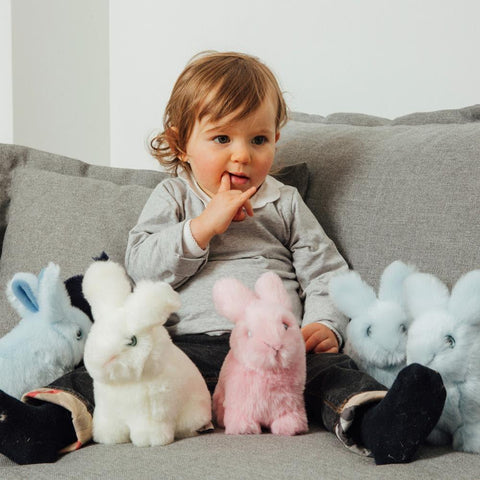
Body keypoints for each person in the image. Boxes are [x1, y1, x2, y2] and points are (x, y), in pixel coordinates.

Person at [0, 51, 445, 466]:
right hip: (183, 349)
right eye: (221, 137)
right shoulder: (173, 196)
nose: (242, 154)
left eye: (258, 138)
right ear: (181, 144)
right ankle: (44, 424)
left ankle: (379, 423)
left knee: (333, 373)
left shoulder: (284, 202)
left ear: (275, 139)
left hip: (273, 354)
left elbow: (326, 272)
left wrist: (324, 324)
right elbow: (140, 267)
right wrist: (201, 228)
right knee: (108, 371)